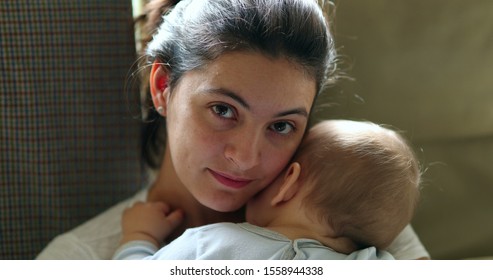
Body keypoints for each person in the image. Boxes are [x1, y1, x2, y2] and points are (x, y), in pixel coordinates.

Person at [36, 0, 429, 260]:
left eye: (281, 125)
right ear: (162, 88)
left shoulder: (350, 201)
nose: (245, 157)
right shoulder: (79, 258)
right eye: (223, 109)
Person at [112, 120, 421, 260]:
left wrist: (139, 238)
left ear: (288, 181)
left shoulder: (212, 245)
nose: (248, 159)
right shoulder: (374, 262)